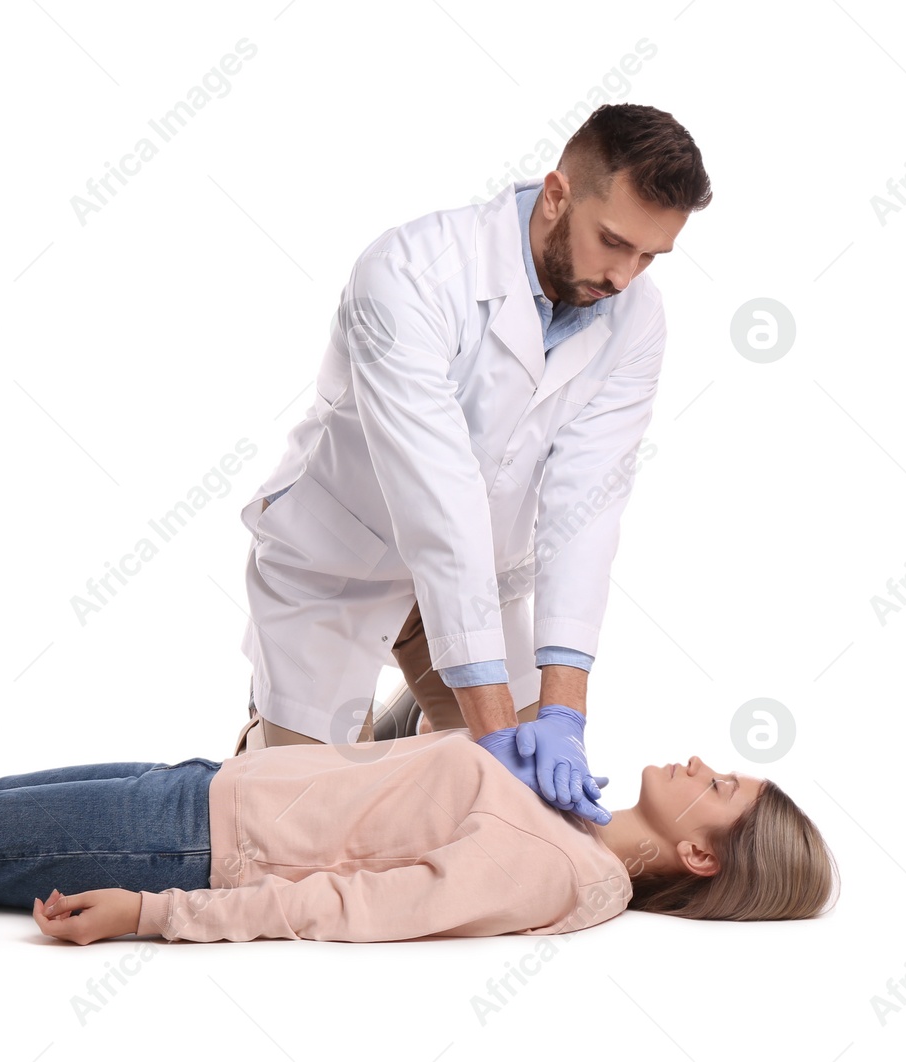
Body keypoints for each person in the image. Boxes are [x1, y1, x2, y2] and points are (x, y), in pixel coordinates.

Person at [234, 103, 713, 830]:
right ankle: (271, 741)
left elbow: (585, 511)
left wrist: (562, 714)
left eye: (650, 256)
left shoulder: (636, 316)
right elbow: (440, 502)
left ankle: (415, 746)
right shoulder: (408, 275)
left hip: (476, 582)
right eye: (612, 242)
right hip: (340, 562)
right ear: (557, 194)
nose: (624, 276)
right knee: (313, 827)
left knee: (534, 819)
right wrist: (491, 735)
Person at [0, 716, 837, 944]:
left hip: (185, 848)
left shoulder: (561, 872)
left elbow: (345, 907)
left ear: (706, 854)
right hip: (199, 791)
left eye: (723, 787)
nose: (706, 764)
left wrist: (151, 912)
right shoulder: (570, 815)